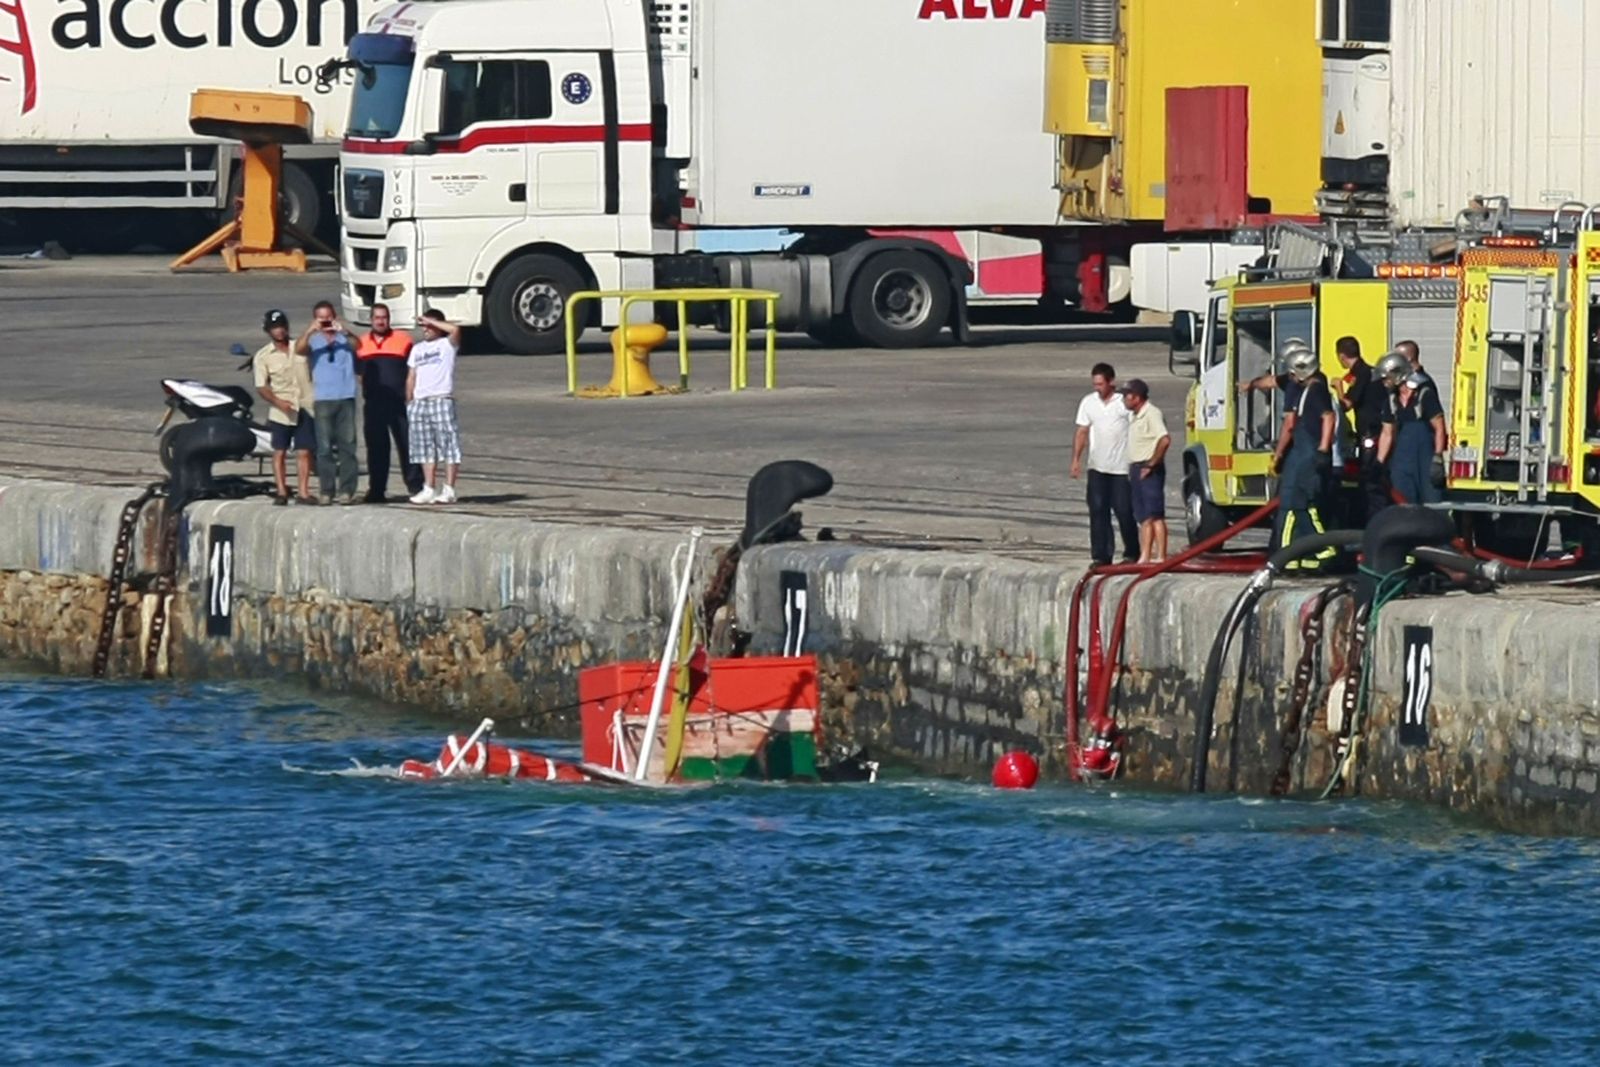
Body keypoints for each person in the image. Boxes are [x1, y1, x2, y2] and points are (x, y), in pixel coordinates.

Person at [1269, 341, 1338, 570]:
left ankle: (1289, 554)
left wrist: (1322, 449)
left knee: (1295, 507)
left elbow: (1328, 418)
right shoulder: (1306, 390)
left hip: (1308, 454)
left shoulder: (1316, 390)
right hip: (1301, 452)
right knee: (1297, 506)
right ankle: (1306, 554)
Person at [1071, 362, 1139, 566]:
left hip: (1121, 468)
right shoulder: (1088, 402)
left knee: (1124, 510)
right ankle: (1101, 555)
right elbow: (1082, 431)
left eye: (1100, 384)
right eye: (1095, 384)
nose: (1097, 388)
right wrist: (1076, 459)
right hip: (1097, 467)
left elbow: (1137, 428)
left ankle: (1132, 551)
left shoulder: (1123, 402)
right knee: (1098, 510)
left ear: (1111, 382)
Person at [357, 303, 424, 503]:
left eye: (384, 317)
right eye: (377, 317)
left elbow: (413, 370)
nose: (380, 321)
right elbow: (359, 373)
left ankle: (416, 486)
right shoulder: (361, 344)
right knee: (377, 448)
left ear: (389, 319)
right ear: (371, 320)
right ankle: (377, 490)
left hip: (399, 403)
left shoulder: (403, 340)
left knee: (407, 445)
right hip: (374, 403)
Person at [297, 300, 362, 505]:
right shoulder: (314, 340)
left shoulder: (344, 338)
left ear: (334, 316)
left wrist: (346, 331)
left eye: (329, 317)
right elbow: (299, 349)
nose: (326, 322)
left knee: (348, 446)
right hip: (324, 398)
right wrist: (310, 331)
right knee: (324, 448)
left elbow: (359, 346)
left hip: (345, 396)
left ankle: (347, 490)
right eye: (321, 318)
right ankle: (327, 490)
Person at [252, 309, 317, 506]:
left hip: (305, 405)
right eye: (274, 328)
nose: (279, 331)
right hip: (281, 409)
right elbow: (262, 386)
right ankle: (281, 490)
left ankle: (303, 492)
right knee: (279, 451)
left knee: (304, 451)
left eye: (281, 327)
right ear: (268, 331)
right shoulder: (263, 356)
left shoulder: (300, 347)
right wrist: (278, 402)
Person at [407, 309, 463, 505]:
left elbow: (455, 330)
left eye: (429, 325)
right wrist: (410, 399)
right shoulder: (417, 349)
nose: (425, 329)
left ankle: (449, 488)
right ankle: (428, 487)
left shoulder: (447, 344)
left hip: (441, 399)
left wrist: (433, 321)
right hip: (420, 402)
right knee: (424, 448)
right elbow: (412, 375)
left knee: (448, 445)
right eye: (423, 326)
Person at [1331, 335, 1390, 520]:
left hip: (1371, 432)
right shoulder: (1369, 372)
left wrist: (1338, 387)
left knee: (1371, 481)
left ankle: (1375, 519)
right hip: (1374, 432)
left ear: (1341, 356)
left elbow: (1347, 404)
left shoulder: (1361, 373)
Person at [1377, 352, 1447, 505]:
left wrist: (1438, 458)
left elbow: (1440, 427)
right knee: (1403, 500)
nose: (1384, 382)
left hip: (1425, 457)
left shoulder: (1424, 394)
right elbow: (1387, 433)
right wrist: (1379, 463)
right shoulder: (1391, 400)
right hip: (1402, 459)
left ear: (1397, 374)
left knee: (1432, 502)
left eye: (1386, 378)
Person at [1117, 378, 1170, 563]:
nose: (1124, 399)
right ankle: (1145, 555)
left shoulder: (1152, 413)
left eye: (1126, 396)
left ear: (1137, 397)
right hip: (1136, 468)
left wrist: (1151, 464)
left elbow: (1164, 439)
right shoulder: (1134, 415)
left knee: (1155, 514)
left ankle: (1161, 555)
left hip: (1149, 469)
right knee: (1143, 517)